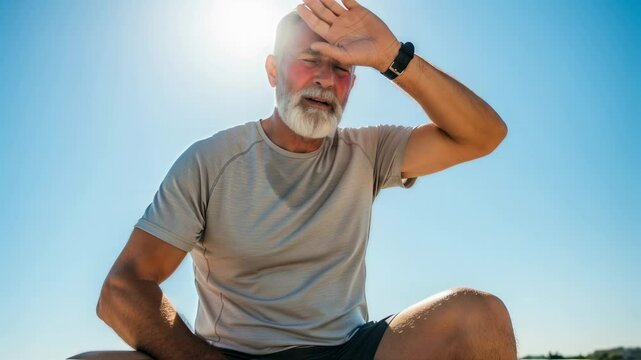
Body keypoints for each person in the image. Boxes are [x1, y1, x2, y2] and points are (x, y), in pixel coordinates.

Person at [97, 0, 516, 359]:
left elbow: (483, 135)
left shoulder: (369, 151)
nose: (324, 79)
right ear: (273, 71)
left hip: (348, 349)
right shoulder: (211, 161)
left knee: (479, 316)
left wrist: (392, 55)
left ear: (353, 82)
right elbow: (123, 288)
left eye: (341, 68)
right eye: (309, 60)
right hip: (231, 355)